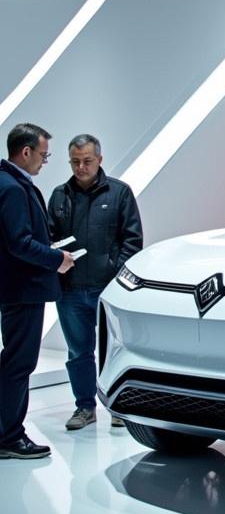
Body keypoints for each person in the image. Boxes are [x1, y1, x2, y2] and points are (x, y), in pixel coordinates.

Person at [48, 134, 143, 430]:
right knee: (79, 352)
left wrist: (114, 272)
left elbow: (132, 241)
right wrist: (55, 260)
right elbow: (48, 238)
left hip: (108, 290)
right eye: (75, 162)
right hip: (71, 290)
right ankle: (84, 408)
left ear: (100, 160)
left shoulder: (120, 193)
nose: (80, 167)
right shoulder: (59, 195)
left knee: (113, 351)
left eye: (87, 161)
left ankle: (117, 407)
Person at [0, 123, 74, 459]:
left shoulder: (9, 182)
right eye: (43, 155)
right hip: (22, 290)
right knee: (18, 364)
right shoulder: (13, 188)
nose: (45, 162)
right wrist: (56, 257)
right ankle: (10, 437)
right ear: (25, 151)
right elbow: (19, 243)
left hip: (17, 288)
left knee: (14, 362)